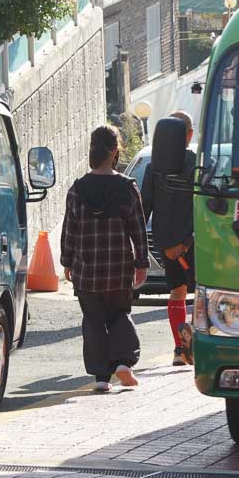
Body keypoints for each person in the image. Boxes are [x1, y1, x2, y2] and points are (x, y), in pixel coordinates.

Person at [60, 125, 149, 393]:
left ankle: (101, 377)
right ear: (114, 152)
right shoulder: (127, 187)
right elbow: (138, 229)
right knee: (120, 313)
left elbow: (69, 230)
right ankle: (123, 363)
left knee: (94, 320)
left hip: (86, 271)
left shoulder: (77, 189)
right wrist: (141, 262)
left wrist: (67, 261)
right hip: (119, 268)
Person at [141, 110, 197, 367]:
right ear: (189, 135)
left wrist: (156, 245)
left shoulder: (153, 168)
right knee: (202, 295)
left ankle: (179, 348)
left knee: (177, 293)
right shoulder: (196, 164)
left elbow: (144, 209)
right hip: (196, 241)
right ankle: (193, 347)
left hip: (167, 245)